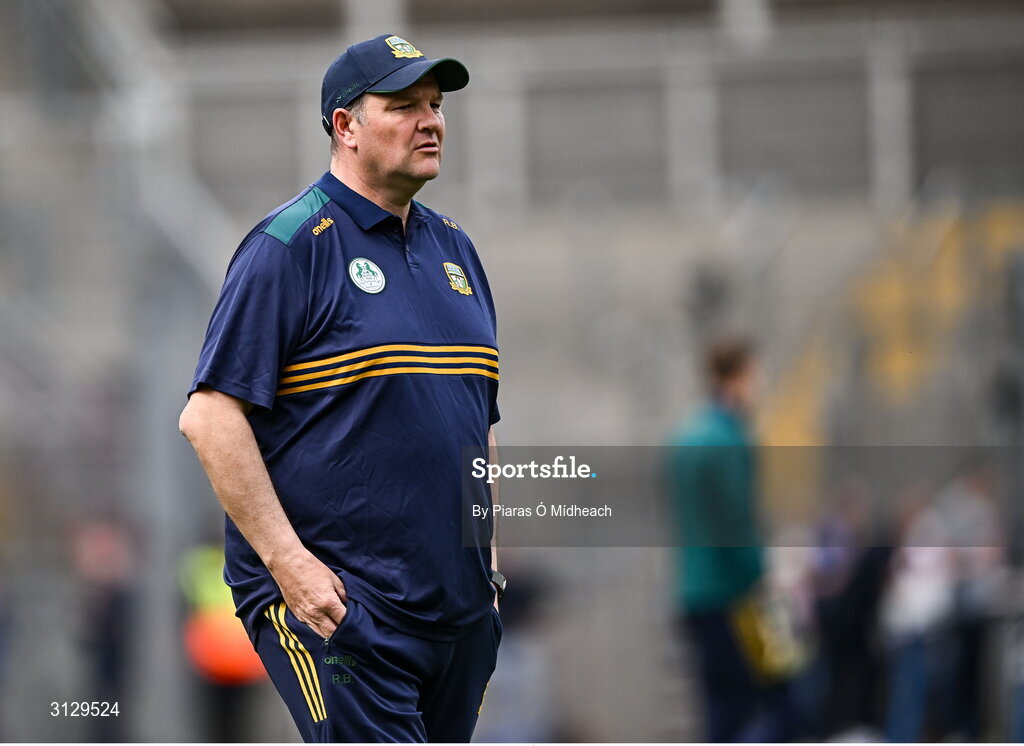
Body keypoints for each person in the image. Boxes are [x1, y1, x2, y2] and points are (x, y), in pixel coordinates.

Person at [178, 33, 504, 743]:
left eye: (436, 104)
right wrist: (291, 568)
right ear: (345, 127)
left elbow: (479, 424)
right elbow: (210, 417)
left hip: (458, 613)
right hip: (344, 612)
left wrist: (489, 566)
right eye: (404, 105)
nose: (431, 121)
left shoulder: (458, 251)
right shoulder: (290, 246)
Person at [666, 336, 794, 742]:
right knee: (786, 702)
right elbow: (737, 523)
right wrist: (762, 579)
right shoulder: (731, 439)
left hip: (696, 595)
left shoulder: (684, 439)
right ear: (737, 377)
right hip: (741, 597)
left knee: (720, 712)